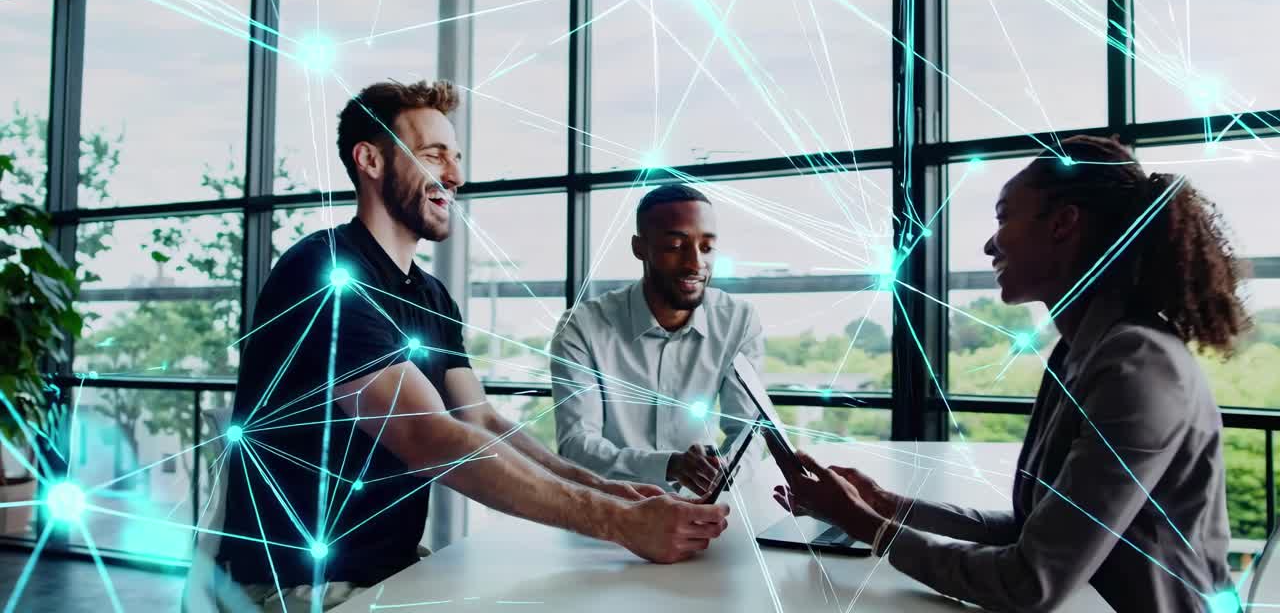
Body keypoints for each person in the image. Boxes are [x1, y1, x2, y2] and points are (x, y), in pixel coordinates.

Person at [203, 80, 729, 612]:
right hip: (297, 587)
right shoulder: (324, 273)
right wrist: (617, 522)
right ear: (371, 160)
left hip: (391, 569)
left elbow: (480, 422)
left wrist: (609, 491)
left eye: (455, 158)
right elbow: (426, 435)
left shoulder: (429, 295)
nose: (455, 176)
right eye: (434, 156)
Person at [773, 135, 1248, 612]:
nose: (988, 244)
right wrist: (887, 505)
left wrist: (866, 527)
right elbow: (1033, 529)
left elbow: (1029, 583)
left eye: (1003, 217)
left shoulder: (1137, 368)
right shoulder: (1079, 352)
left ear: (1063, 224)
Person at [550, 184, 767, 497]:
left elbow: (750, 429)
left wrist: (727, 471)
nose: (695, 264)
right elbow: (577, 446)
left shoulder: (738, 321)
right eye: (675, 246)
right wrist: (670, 466)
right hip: (609, 511)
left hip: (702, 508)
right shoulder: (582, 327)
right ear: (640, 248)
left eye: (706, 248)